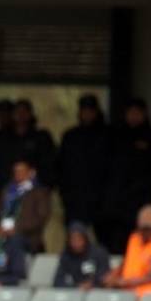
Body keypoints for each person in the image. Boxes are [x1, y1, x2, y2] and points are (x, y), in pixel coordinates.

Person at [100, 98, 151, 254]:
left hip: (142, 202)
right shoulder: (114, 137)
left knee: (143, 243)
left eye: (137, 113)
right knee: (116, 245)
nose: (133, 116)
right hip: (115, 205)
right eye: (130, 113)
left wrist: (139, 184)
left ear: (144, 114)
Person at [56, 93, 109, 227]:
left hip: (103, 202)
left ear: (96, 112)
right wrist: (65, 195)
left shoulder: (108, 136)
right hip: (75, 201)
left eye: (90, 111)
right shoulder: (71, 136)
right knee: (76, 241)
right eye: (84, 111)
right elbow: (61, 168)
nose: (87, 115)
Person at [103, 204, 151, 297]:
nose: (145, 232)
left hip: (150, 295)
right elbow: (127, 261)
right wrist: (114, 274)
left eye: (149, 228)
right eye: (143, 228)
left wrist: (120, 282)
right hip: (127, 292)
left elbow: (150, 277)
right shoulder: (134, 238)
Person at [0, 159, 52, 253]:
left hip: (27, 236)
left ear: (31, 172)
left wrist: (17, 229)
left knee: (13, 242)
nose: (18, 173)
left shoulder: (39, 192)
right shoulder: (7, 190)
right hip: (2, 232)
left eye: (21, 171)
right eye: (16, 171)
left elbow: (41, 217)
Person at [54, 222, 111, 289]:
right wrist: (76, 286)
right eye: (73, 240)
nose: (76, 243)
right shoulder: (66, 256)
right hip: (75, 292)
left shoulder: (99, 253)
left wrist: (93, 284)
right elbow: (58, 281)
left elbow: (106, 276)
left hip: (98, 291)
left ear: (85, 239)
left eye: (79, 239)